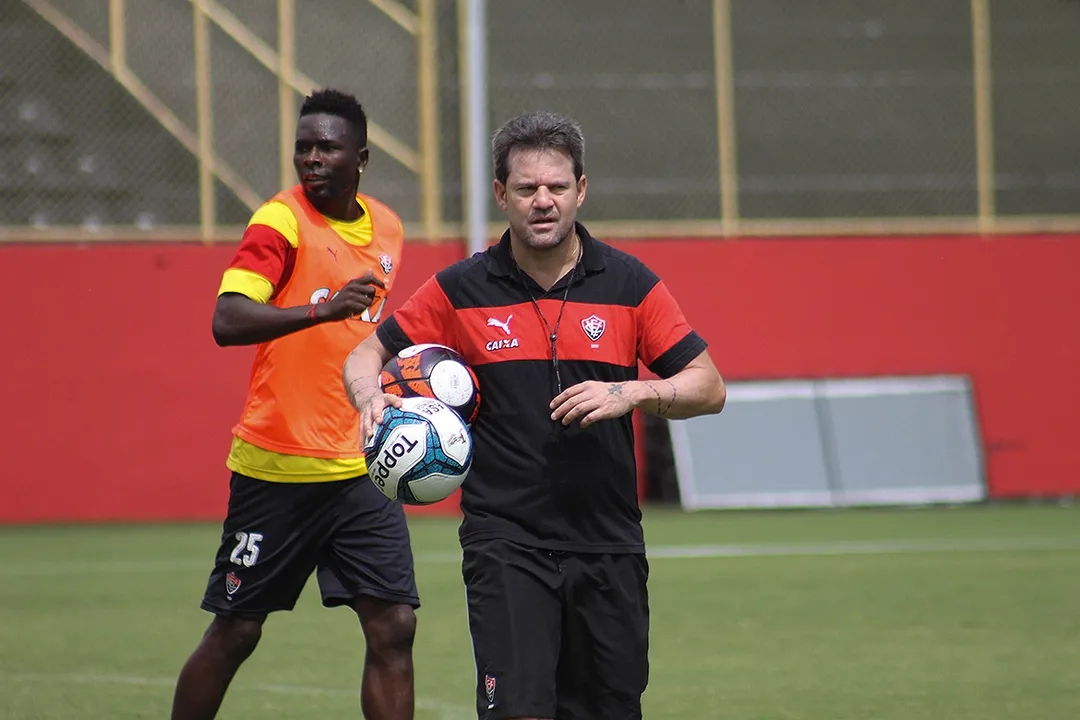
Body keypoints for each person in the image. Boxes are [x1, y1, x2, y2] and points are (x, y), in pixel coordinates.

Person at [342, 111, 726, 720]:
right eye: (526, 189)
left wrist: (633, 394)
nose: (542, 201)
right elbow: (365, 355)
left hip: (609, 543)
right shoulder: (459, 288)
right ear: (501, 194)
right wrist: (369, 398)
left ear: (581, 189)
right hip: (506, 543)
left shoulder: (630, 284)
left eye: (556, 187)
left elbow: (709, 385)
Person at [172, 89, 418, 720]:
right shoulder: (279, 222)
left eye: (326, 147)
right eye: (303, 147)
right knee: (237, 632)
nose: (311, 158)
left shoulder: (387, 227)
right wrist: (320, 308)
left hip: (362, 466)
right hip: (275, 468)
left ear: (359, 157)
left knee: (393, 625)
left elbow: (363, 340)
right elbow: (227, 321)